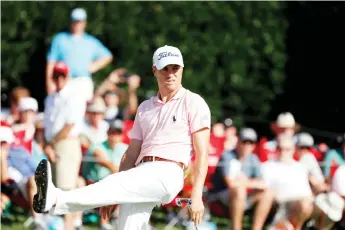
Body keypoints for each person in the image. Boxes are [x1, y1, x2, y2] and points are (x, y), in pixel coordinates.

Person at [33, 45, 211, 229]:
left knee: (112, 183)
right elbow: (131, 153)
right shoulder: (144, 108)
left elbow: (202, 153)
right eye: (165, 68)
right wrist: (113, 195)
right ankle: (54, 200)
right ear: (154, 70)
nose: (170, 73)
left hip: (169, 173)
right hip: (141, 170)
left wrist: (196, 194)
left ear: (182, 69)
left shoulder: (194, 102)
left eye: (175, 68)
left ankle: (55, 199)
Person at [43, 62, 87, 230]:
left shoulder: (73, 95)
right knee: (68, 186)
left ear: (66, 77)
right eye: (56, 75)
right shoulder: (51, 97)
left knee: (65, 192)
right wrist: (48, 145)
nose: (59, 79)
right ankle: (74, 222)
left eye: (62, 75)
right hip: (54, 144)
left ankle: (70, 226)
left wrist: (50, 144)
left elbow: (69, 125)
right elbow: (47, 124)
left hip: (66, 144)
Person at [210, 128, 274, 230]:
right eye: (245, 141)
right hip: (221, 196)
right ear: (238, 141)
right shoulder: (227, 156)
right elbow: (230, 183)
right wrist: (249, 183)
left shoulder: (253, 159)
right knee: (239, 191)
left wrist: (243, 182)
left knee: (268, 193)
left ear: (254, 145)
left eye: (251, 142)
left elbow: (263, 183)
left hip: (242, 196)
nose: (247, 145)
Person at [46, 8, 113, 101]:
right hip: (64, 82)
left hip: (83, 82)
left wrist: (93, 67)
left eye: (79, 21)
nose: (77, 24)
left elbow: (107, 56)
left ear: (84, 23)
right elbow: (51, 62)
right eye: (75, 21)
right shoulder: (60, 39)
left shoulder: (90, 41)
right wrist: (50, 83)